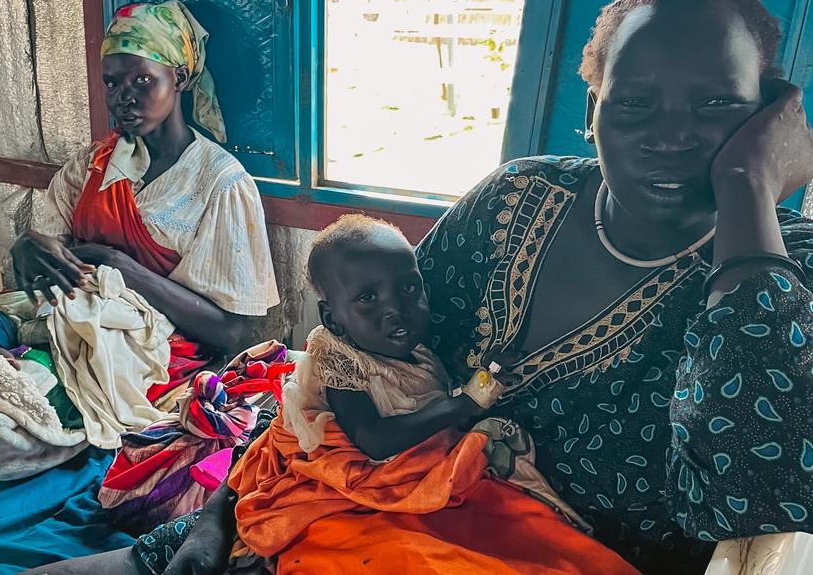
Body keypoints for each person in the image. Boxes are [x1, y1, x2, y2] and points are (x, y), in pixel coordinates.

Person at [128, 0, 813, 575]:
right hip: (343, 512)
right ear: (592, 108)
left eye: (717, 103)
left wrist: (748, 190)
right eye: (633, 103)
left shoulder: (783, 275)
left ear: (766, 114)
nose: (670, 136)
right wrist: (221, 513)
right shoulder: (514, 199)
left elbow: (750, 499)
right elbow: (343, 366)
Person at [224, 214, 638, 574]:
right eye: (368, 298)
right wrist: (464, 403)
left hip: (421, 465)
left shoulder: (416, 350)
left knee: (530, 536)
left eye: (408, 288)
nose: (396, 309)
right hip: (362, 480)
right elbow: (373, 439)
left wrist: (486, 375)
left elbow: (433, 397)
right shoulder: (339, 361)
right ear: (332, 318)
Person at [9, 0, 279, 399]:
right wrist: (27, 248)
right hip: (72, 330)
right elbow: (52, 271)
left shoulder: (219, 183)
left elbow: (231, 331)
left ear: (181, 77)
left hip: (158, 357)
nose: (124, 98)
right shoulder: (89, 167)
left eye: (142, 81)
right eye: (113, 84)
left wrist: (117, 263)